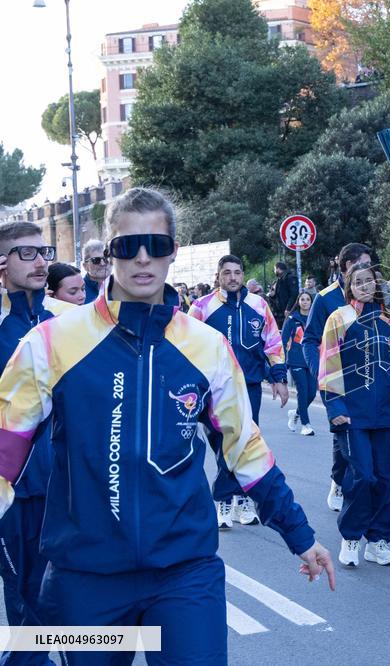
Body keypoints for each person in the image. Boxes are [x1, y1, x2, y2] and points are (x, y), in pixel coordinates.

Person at [0, 188, 334, 665]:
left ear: (174, 251)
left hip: (183, 574)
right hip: (88, 581)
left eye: (155, 245)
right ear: (107, 250)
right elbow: (4, 452)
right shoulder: (51, 341)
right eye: (127, 245)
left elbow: (245, 451)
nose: (142, 258)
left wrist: (299, 535)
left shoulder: (208, 347)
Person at [0, 222, 74, 666]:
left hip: (71, 486)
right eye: (26, 253)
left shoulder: (70, 321)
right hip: (13, 493)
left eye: (42, 251)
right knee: (26, 598)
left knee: (68, 594)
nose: (41, 261)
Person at [319, 262, 390, 567]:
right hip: (351, 413)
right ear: (349, 287)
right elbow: (329, 364)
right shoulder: (339, 318)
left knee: (386, 477)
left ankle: (378, 540)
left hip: (384, 412)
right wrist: (335, 406)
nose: (365, 285)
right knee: (363, 476)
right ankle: (351, 537)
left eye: (369, 280)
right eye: (358, 282)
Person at [189, 255, 289, 530]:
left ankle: (239, 499)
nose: (232, 277)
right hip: (214, 389)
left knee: (244, 442)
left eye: (237, 272)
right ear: (218, 276)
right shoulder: (201, 307)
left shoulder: (259, 305)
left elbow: (273, 343)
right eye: (227, 273)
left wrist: (279, 378)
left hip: (249, 386)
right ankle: (224, 499)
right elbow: (184, 345)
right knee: (223, 443)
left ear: (243, 275)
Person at [303, 242, 374, 513]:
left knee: (360, 433)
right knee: (343, 431)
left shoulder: (373, 294)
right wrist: (318, 370)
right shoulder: (325, 298)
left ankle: (356, 484)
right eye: (365, 263)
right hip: (335, 377)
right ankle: (339, 480)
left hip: (366, 379)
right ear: (347, 267)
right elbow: (310, 340)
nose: (369, 271)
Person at [282, 291, 317, 436]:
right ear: (298, 301)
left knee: (312, 393)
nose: (305, 302)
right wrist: (283, 363)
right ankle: (305, 424)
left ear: (311, 302)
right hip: (295, 359)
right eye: (302, 299)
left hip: (311, 359)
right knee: (302, 392)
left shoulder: (315, 318)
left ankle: (295, 413)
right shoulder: (292, 318)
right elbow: (283, 340)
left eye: (308, 299)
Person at [80, 238, 108, 303]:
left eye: (106, 259)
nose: (103, 264)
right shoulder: (76, 290)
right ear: (85, 266)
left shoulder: (122, 288)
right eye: (96, 260)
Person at [272, 261, 298, 327]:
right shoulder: (279, 280)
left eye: (275, 269)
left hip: (288, 311)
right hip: (280, 313)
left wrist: (288, 308)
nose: (274, 271)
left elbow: (294, 294)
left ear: (278, 269)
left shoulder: (290, 278)